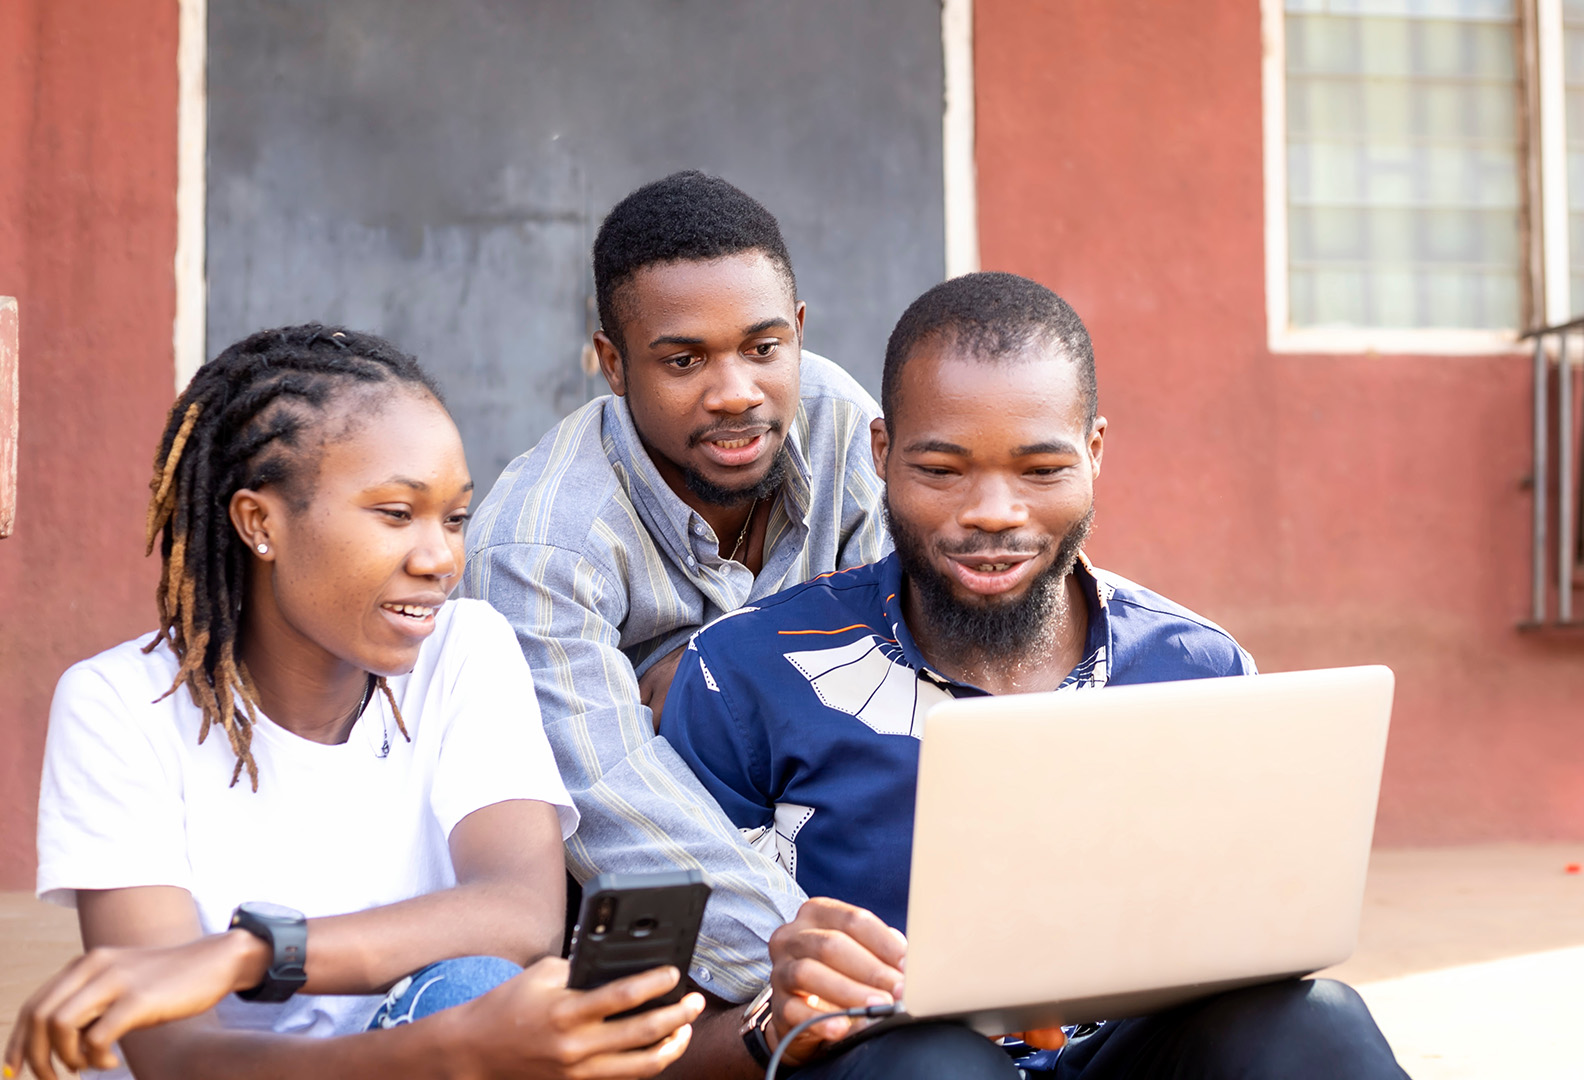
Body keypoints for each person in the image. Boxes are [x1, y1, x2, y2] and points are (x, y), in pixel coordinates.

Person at [657, 273, 1411, 1078]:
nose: (994, 511)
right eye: (942, 470)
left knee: (1317, 1023)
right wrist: (775, 1020)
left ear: (1093, 453)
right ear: (881, 454)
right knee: (936, 1067)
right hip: (891, 1065)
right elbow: (641, 1042)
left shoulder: (1199, 669)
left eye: (1041, 470)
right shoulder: (744, 676)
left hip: (1129, 1057)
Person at [7, 327, 703, 1080]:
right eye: (397, 514)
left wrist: (250, 952)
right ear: (259, 522)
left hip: (430, 1048)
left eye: (454, 518)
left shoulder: (465, 651)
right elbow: (172, 1056)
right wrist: (447, 1052)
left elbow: (519, 913)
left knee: (479, 987)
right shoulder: (120, 703)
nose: (438, 558)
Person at [458, 172, 888, 1013]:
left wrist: (728, 669)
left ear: (797, 333)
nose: (735, 392)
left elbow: (915, 659)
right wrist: (841, 976)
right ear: (613, 365)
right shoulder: (538, 544)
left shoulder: (839, 420)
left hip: (849, 858)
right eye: (684, 360)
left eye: (764, 349)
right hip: (658, 937)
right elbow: (615, 810)